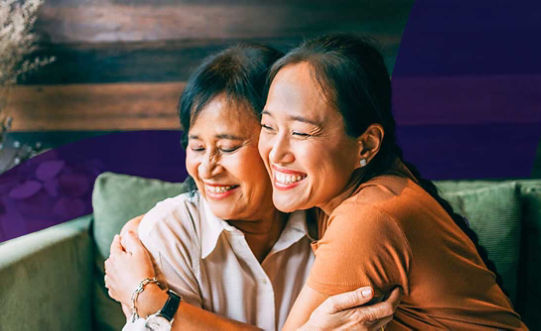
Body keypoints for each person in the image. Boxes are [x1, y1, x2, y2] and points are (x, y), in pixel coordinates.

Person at [103, 43, 399, 331]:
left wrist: (157, 304)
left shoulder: (337, 225)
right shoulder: (165, 237)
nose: (207, 168)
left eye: (229, 148)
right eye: (196, 147)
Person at [257, 34, 526, 330]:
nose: (276, 152)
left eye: (301, 132)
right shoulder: (346, 192)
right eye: (268, 126)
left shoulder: (368, 218)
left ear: (366, 145)